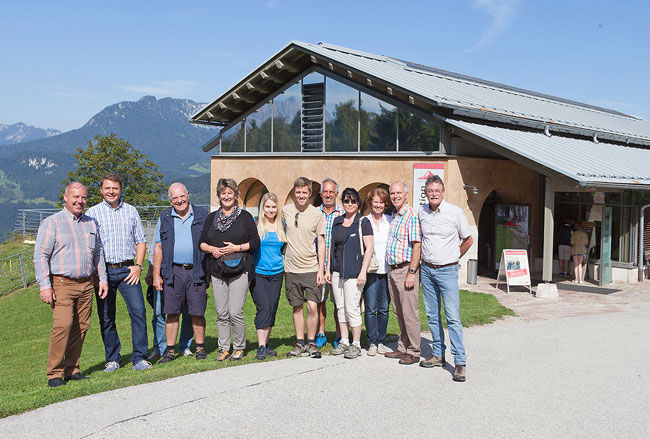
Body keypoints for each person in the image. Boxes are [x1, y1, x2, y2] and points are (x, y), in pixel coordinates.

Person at [34, 182, 109, 387]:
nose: (80, 201)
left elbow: (98, 253)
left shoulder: (91, 223)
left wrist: (102, 278)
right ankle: (54, 374)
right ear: (65, 197)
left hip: (86, 284)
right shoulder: (52, 223)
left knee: (81, 327)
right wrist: (44, 285)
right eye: (75, 197)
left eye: (83, 198)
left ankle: (72, 369)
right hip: (62, 284)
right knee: (63, 326)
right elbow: (40, 255)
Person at [86, 174, 151, 372]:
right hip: (104, 272)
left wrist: (138, 266)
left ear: (121, 189)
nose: (111, 191)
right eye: (107, 188)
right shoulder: (92, 213)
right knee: (106, 316)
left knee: (138, 312)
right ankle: (113, 359)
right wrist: (96, 274)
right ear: (101, 190)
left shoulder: (131, 211)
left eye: (115, 188)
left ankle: (139, 358)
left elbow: (141, 240)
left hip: (127, 270)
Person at [418, 175, 473, 382]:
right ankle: (438, 355)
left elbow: (468, 240)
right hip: (427, 270)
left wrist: (453, 257)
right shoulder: (421, 212)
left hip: (447, 271)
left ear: (443, 193)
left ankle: (460, 362)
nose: (433, 194)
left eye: (436, 191)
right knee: (432, 315)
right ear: (426, 193)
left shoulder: (455, 212)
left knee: (452, 317)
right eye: (430, 191)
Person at [200, 178, 259, 361]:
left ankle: (239, 347)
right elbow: (202, 242)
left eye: (230, 193)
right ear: (219, 195)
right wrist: (211, 249)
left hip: (239, 270)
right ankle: (224, 348)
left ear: (235, 195)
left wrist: (237, 248)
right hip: (217, 271)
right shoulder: (212, 218)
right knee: (221, 313)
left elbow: (255, 242)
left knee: (235, 312)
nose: (226, 196)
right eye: (223, 193)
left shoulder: (245, 217)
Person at [152, 183, 209, 363]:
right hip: (173, 271)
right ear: (170, 200)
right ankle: (170, 351)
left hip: (197, 271)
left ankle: (199, 348)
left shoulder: (201, 214)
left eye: (181, 196)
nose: (179, 200)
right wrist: (156, 275)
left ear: (188, 194)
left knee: (197, 312)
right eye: (174, 198)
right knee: (172, 312)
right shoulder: (165, 217)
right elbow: (158, 247)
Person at [326, 188, 374, 359]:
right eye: (347, 201)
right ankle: (344, 341)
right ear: (343, 203)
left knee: (352, 308)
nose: (350, 204)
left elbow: (369, 249)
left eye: (353, 201)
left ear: (358, 203)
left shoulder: (363, 222)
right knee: (340, 308)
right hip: (337, 272)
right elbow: (332, 247)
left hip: (354, 273)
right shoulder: (337, 221)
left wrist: (363, 271)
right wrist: (328, 269)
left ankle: (356, 344)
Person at [281, 177, 326, 358]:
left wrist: (321, 269)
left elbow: (321, 242)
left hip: (311, 267)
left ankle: (312, 342)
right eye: (298, 192)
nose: (301, 196)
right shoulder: (285, 211)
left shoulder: (316, 214)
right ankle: (299, 343)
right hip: (291, 268)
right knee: (297, 307)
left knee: (313, 307)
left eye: (304, 193)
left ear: (309, 194)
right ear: (294, 193)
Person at [384, 181, 422, 365]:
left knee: (409, 312)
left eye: (399, 193)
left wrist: (412, 273)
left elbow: (417, 245)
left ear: (406, 194)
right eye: (392, 193)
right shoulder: (395, 215)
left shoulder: (411, 216)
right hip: (393, 270)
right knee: (399, 312)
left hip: (406, 269)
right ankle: (402, 347)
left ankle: (414, 351)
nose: (395, 196)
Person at [144, 233, 194, 364]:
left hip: (184, 271)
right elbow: (156, 246)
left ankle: (184, 347)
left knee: (187, 311)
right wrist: (151, 271)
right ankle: (160, 349)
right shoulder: (164, 218)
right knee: (159, 313)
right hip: (162, 272)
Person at [251, 193, 286, 360]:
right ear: (262, 208)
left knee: (272, 308)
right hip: (259, 273)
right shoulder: (256, 224)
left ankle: (267, 342)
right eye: (267, 207)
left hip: (277, 273)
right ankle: (261, 346)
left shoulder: (282, 225)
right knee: (263, 307)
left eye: (273, 207)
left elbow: (284, 249)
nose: (271, 210)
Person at [316, 178, 344, 348]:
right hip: (318, 265)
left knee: (338, 302)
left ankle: (339, 335)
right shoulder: (314, 213)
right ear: (321, 193)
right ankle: (321, 332)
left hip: (337, 266)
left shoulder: (343, 214)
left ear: (336, 194)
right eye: (325, 191)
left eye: (331, 192)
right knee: (320, 301)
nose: (328, 195)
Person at [363, 187, 391, 356]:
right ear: (370, 203)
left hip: (387, 269)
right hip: (371, 270)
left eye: (381, 202)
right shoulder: (365, 221)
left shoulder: (390, 220)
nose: (378, 205)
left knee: (384, 308)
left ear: (385, 204)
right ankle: (372, 341)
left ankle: (381, 340)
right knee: (370, 307)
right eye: (375, 202)